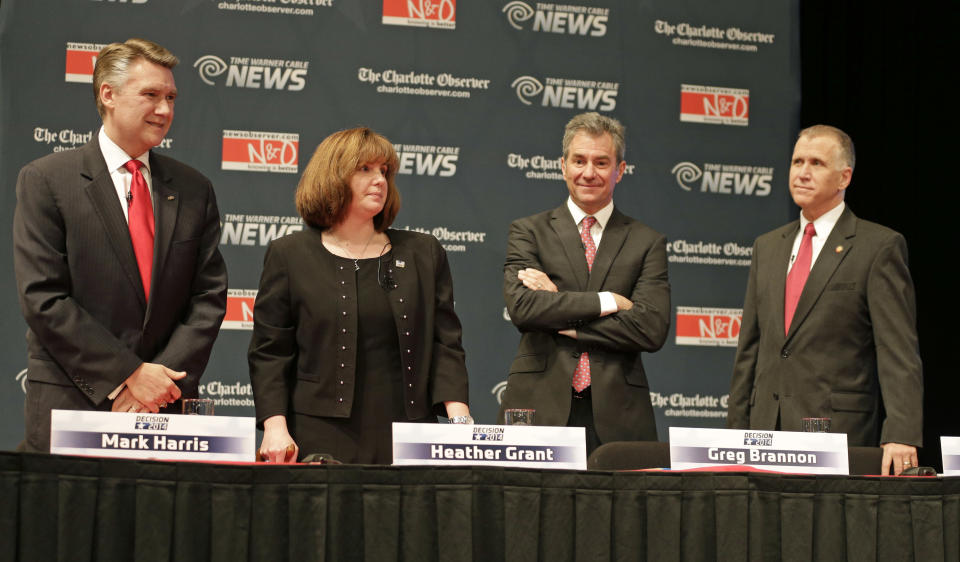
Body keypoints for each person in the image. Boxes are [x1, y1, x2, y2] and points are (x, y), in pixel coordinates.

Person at [12, 38, 228, 452]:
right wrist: (128, 374)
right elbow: (44, 297)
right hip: (72, 402)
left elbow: (209, 296)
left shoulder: (193, 188)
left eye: (170, 97)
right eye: (150, 95)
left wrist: (157, 380)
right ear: (108, 95)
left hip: (164, 408)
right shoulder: (47, 180)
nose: (165, 110)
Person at [249, 127, 471, 464]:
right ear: (333, 176)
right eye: (364, 169)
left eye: (384, 171)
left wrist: (459, 422)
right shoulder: (289, 255)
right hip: (317, 433)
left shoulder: (423, 252)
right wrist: (275, 427)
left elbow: (446, 345)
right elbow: (271, 352)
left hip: (408, 433)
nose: (380, 180)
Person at [727, 125, 923, 475]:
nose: (802, 172)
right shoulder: (767, 247)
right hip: (764, 434)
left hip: (834, 433)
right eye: (797, 161)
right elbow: (750, 350)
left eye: (816, 163)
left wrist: (902, 432)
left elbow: (898, 351)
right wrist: (734, 433)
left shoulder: (878, 247)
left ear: (844, 177)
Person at [498, 112, 670, 455]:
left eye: (601, 162)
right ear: (563, 166)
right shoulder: (528, 231)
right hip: (538, 407)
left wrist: (564, 314)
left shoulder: (646, 241)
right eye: (579, 161)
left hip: (619, 416)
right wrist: (610, 301)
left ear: (619, 171)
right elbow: (524, 308)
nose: (588, 173)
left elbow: (651, 327)